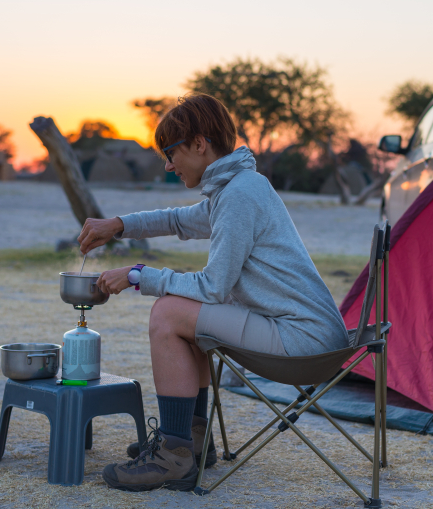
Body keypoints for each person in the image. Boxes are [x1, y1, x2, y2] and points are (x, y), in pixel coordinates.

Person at [77, 93, 350, 492]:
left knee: (169, 313)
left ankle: (174, 454)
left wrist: (138, 275)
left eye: (171, 154)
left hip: (303, 342)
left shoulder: (239, 194)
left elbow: (213, 288)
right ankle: (191, 442)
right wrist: (117, 225)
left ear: (200, 144)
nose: (169, 166)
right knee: (185, 313)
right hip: (308, 334)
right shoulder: (237, 187)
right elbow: (177, 219)